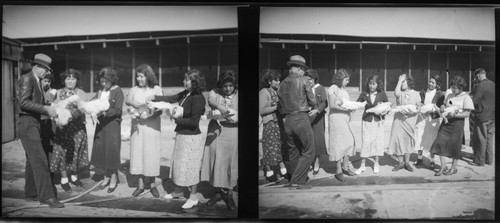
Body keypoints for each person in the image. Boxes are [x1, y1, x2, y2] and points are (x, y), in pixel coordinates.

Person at [153, 69, 206, 209]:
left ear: (195, 82)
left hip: (192, 137)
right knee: (178, 164)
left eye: (187, 79)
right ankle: (178, 191)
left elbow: (194, 122)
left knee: (191, 167)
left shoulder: (198, 98)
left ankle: (193, 196)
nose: (184, 81)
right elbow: (171, 98)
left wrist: (176, 119)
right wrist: (155, 98)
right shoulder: (185, 93)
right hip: (182, 135)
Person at [16, 53, 63, 208]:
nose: (46, 72)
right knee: (41, 160)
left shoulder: (37, 81)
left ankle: (31, 193)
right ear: (36, 66)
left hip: (34, 122)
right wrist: (45, 109)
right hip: (28, 123)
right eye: (44, 68)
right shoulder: (28, 78)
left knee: (32, 160)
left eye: (47, 69)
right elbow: (23, 102)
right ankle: (47, 197)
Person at [277, 55, 317, 189]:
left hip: (287, 120)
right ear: (299, 69)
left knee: (293, 151)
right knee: (309, 150)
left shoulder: (282, 83)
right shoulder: (304, 80)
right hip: (301, 118)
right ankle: (298, 181)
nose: (304, 72)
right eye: (303, 70)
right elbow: (313, 101)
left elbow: (280, 106)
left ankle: (294, 179)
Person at [125, 64, 163, 197]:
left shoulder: (156, 89)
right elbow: (127, 100)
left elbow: (161, 108)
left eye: (142, 76)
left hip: (152, 127)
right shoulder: (134, 89)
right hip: (138, 127)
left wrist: (151, 115)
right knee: (138, 153)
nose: (139, 79)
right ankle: (140, 185)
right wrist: (133, 104)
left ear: (149, 76)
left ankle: (152, 185)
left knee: (151, 154)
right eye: (138, 76)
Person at [203, 70, 239, 210]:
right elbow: (211, 100)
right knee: (216, 161)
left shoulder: (238, 95)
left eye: (230, 85)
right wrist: (220, 107)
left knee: (230, 162)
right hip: (216, 132)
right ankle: (217, 192)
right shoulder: (215, 93)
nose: (228, 88)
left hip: (232, 132)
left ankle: (229, 194)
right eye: (225, 86)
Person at [50, 69, 89, 193]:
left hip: (77, 128)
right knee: (62, 152)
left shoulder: (81, 93)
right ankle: (64, 179)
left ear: (77, 80)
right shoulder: (58, 92)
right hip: (63, 128)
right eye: (68, 78)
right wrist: (58, 117)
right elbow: (54, 107)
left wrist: (70, 115)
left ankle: (74, 176)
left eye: (73, 78)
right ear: (63, 80)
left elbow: (82, 108)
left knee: (76, 150)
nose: (70, 81)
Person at [431, 75, 474, 175]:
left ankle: (454, 168)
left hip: (457, 124)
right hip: (446, 122)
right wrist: (442, 106)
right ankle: (443, 166)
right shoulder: (450, 95)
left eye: (455, 88)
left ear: (461, 87)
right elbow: (445, 104)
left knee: (455, 145)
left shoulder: (466, 97)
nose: (453, 90)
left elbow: (467, 114)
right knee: (439, 142)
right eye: (452, 87)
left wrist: (455, 114)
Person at [91, 67, 124, 193]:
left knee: (112, 151)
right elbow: (92, 102)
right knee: (103, 149)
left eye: (106, 81)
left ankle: (114, 178)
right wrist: (90, 108)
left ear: (111, 79)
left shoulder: (117, 91)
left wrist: (105, 113)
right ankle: (106, 176)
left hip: (112, 125)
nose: (103, 84)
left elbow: (117, 110)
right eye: (102, 81)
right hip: (101, 125)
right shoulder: (100, 91)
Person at [327, 69, 357, 181]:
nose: (348, 82)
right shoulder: (333, 88)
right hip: (336, 119)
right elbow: (332, 105)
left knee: (350, 142)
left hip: (345, 119)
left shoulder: (344, 90)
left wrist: (352, 108)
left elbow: (345, 104)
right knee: (338, 144)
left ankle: (345, 166)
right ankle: (338, 170)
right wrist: (347, 110)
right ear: (340, 79)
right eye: (346, 79)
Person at [355, 75, 388, 175]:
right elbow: (357, 104)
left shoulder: (382, 94)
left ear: (378, 85)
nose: (371, 86)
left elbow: (388, 106)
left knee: (377, 141)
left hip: (378, 121)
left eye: (374, 84)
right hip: (367, 120)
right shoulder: (364, 93)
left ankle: (376, 163)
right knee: (366, 141)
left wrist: (383, 112)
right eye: (370, 84)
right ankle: (363, 165)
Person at [388, 73, 421, 172]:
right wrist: (399, 80)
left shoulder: (416, 94)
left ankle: (407, 162)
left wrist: (413, 110)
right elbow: (396, 93)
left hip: (410, 120)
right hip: (398, 120)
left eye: (403, 82)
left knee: (407, 140)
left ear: (409, 82)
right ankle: (400, 163)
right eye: (401, 82)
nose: (401, 84)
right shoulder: (400, 93)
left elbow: (418, 107)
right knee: (398, 140)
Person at [258, 69, 287, 182]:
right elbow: (261, 110)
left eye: (279, 80)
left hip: (279, 123)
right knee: (270, 148)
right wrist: (276, 108)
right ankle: (269, 171)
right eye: (276, 80)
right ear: (269, 81)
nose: (278, 82)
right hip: (270, 123)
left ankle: (281, 170)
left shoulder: (278, 92)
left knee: (279, 147)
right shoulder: (263, 92)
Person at [414, 75, 445, 169]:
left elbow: (441, 107)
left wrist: (434, 110)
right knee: (419, 137)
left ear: (437, 84)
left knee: (432, 139)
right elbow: (419, 102)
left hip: (433, 120)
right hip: (422, 118)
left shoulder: (440, 94)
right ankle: (419, 158)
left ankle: (432, 160)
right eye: (430, 82)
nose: (431, 84)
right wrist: (420, 105)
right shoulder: (423, 91)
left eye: (433, 83)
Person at [304, 69, 328, 175]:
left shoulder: (320, 88)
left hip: (318, 118)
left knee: (317, 140)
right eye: (307, 79)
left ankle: (317, 162)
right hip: (307, 117)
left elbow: (324, 103)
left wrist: (317, 110)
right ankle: (309, 162)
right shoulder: (304, 88)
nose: (308, 81)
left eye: (310, 79)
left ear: (315, 79)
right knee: (308, 140)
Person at [470, 68, 495, 166]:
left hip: (482, 116)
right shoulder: (493, 84)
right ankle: (489, 160)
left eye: (476, 78)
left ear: (478, 76)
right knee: (489, 138)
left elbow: (475, 101)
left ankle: (479, 161)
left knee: (480, 138)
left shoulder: (480, 85)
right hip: (492, 116)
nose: (476, 80)